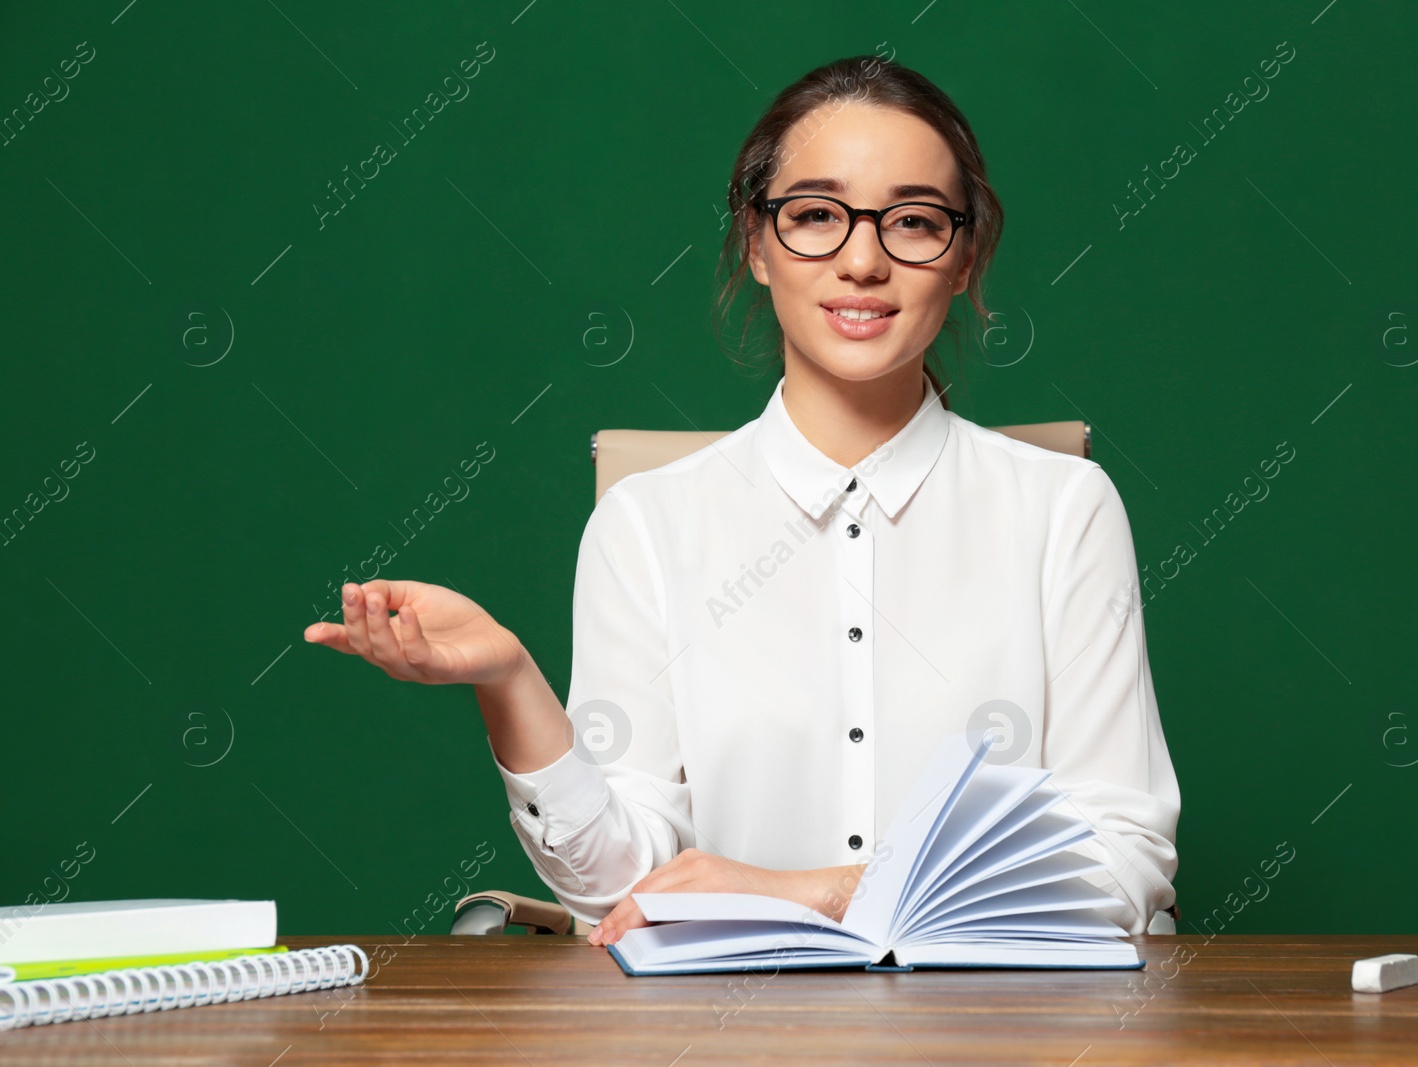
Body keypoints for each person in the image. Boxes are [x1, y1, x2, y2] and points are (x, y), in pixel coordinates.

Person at [304, 55, 1180, 947]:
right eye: (815, 217)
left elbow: (1122, 859)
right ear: (757, 246)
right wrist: (509, 682)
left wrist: (813, 890)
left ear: (964, 258)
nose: (864, 259)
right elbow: (622, 889)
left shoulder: (1065, 509)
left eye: (914, 222)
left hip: (997, 1035)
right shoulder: (646, 524)